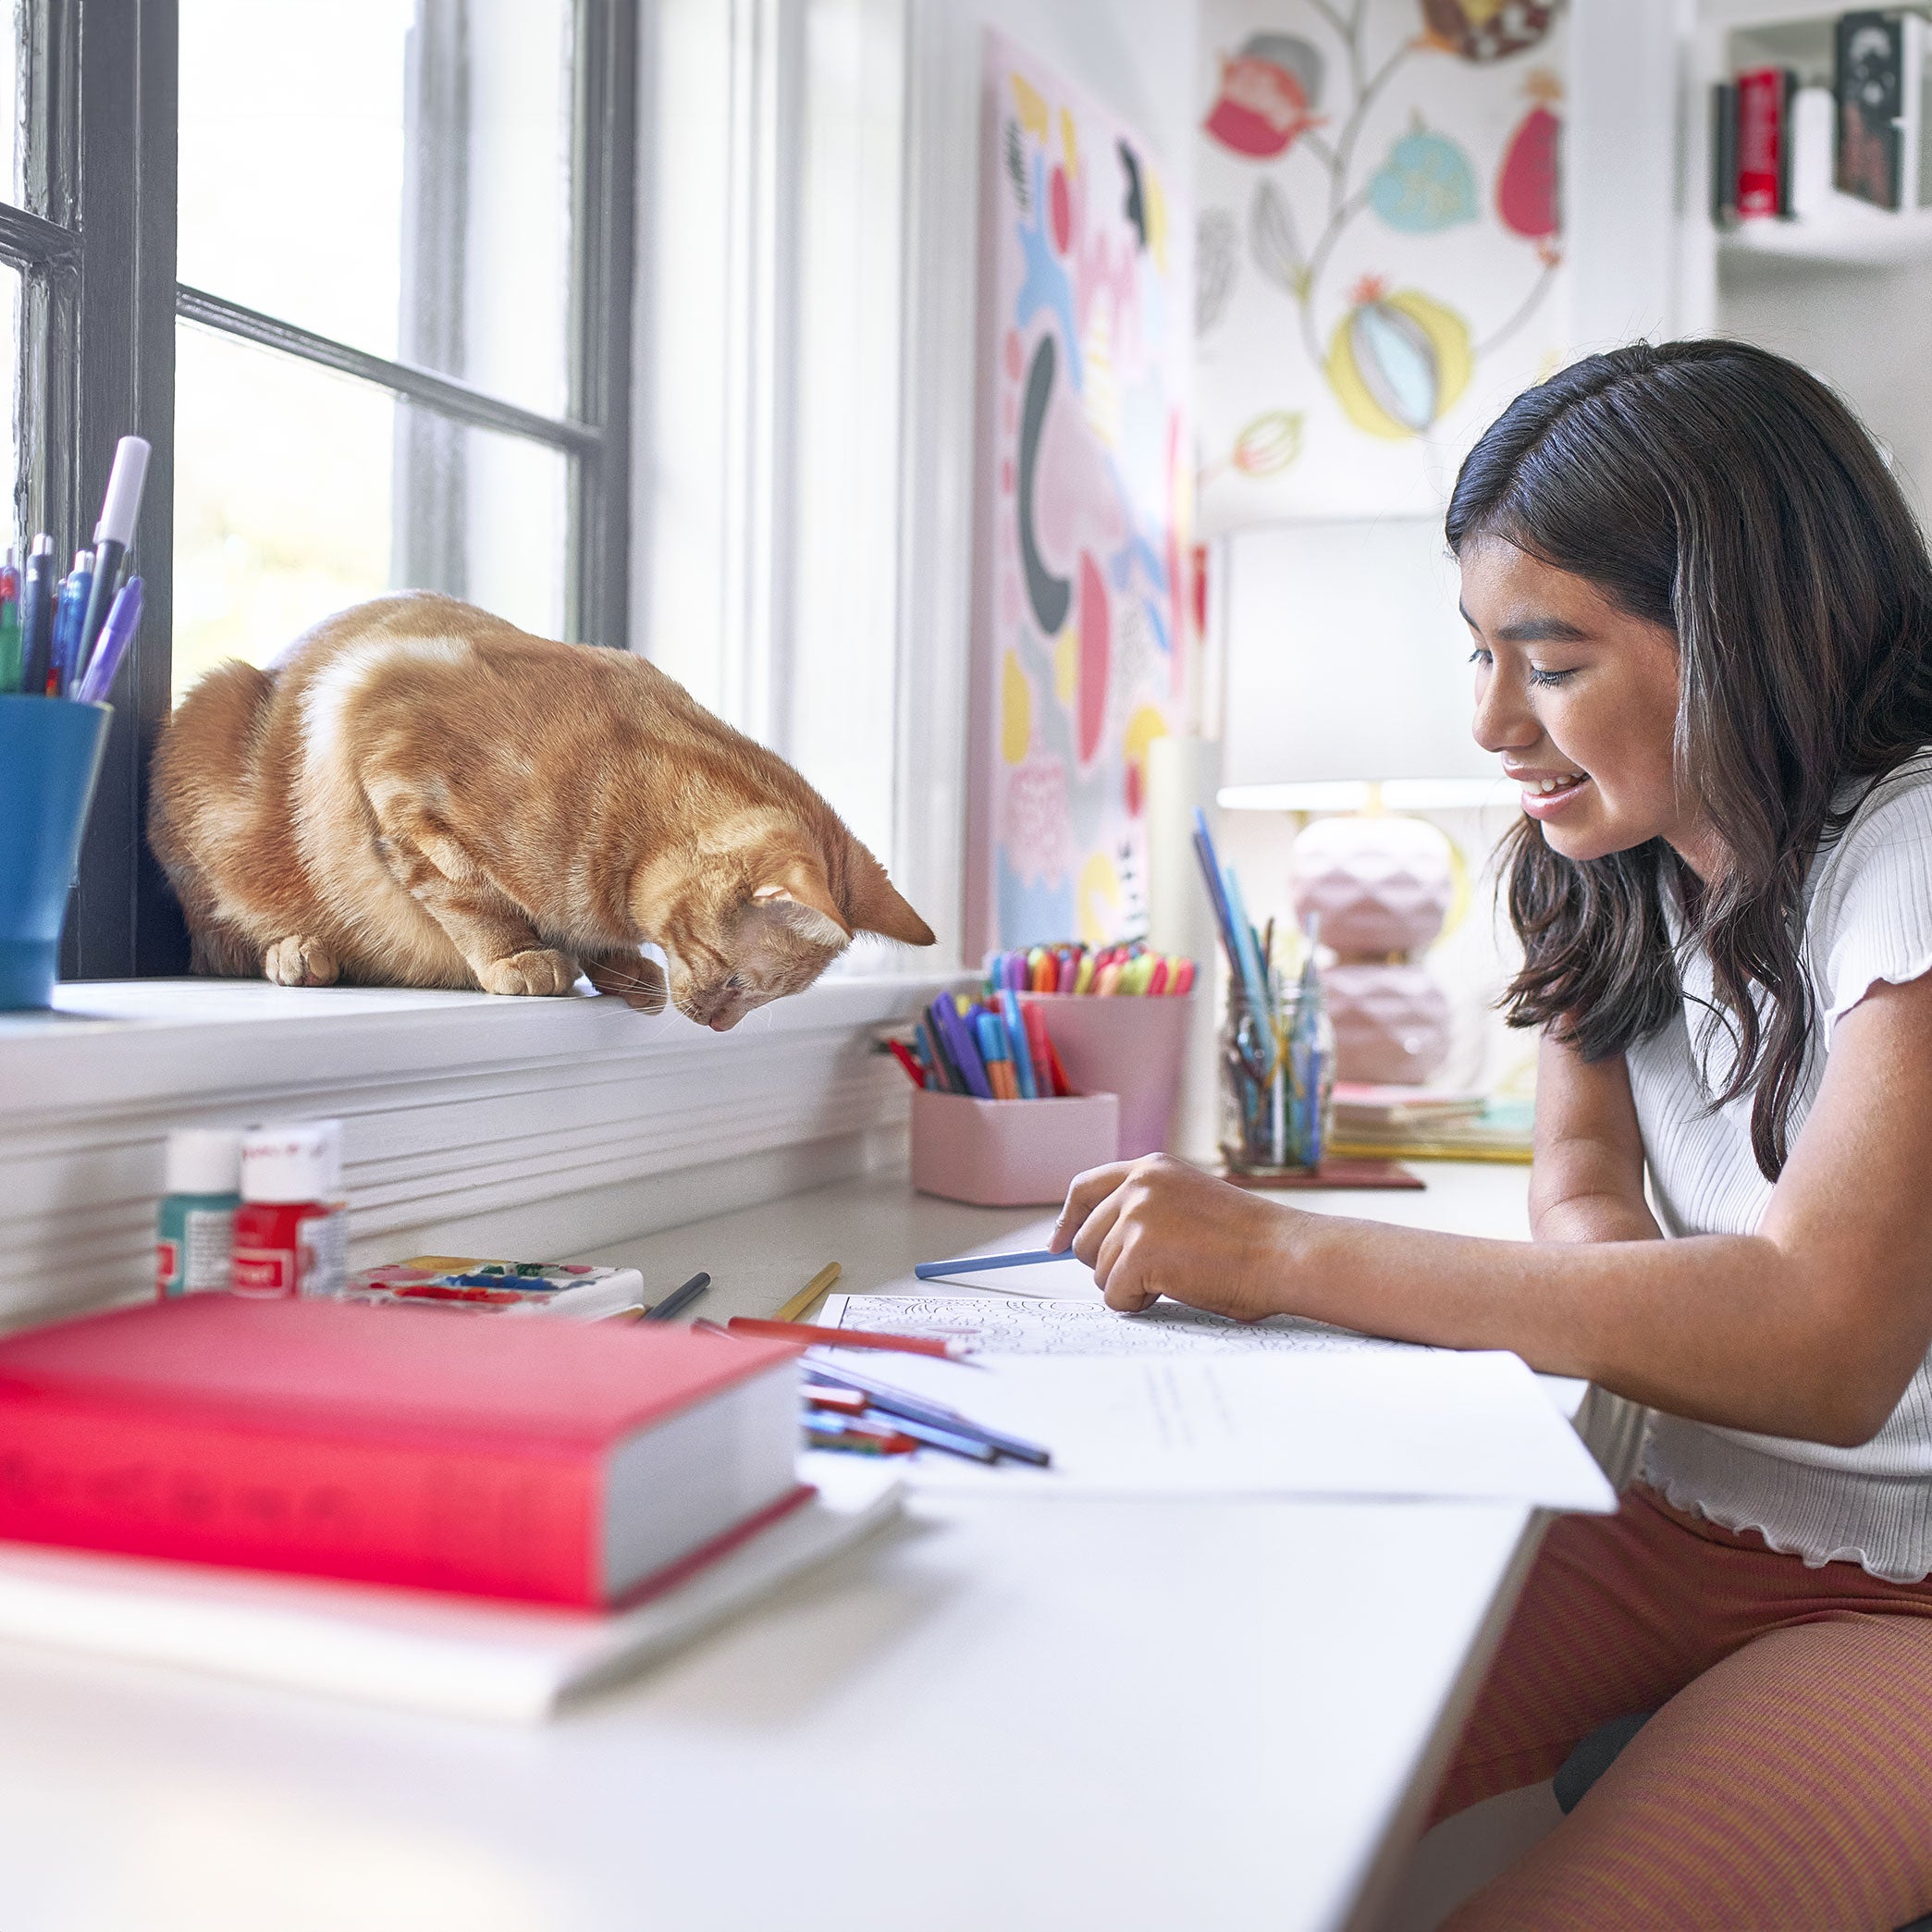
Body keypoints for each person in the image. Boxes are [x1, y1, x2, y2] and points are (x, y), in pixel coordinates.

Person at [1053, 339, 1932, 1929]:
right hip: (1676, 1514)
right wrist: (1633, 1303)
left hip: (1908, 1600)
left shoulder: (1912, 850)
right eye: (1476, 652)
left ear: (1747, 636)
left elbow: (1822, 1344)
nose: (1486, 721)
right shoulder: (1619, 855)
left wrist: (1276, 1248)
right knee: (1158, 1784)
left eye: (1546, 659)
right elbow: (1581, 1174)